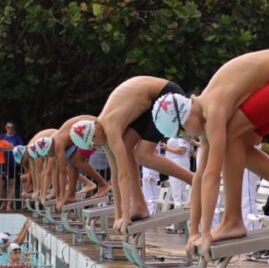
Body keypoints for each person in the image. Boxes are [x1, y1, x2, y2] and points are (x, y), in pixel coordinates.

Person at [151, 49, 269, 255]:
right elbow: (199, 177)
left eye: (181, 131)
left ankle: (233, 220)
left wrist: (206, 232)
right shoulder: (204, 113)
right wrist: (194, 232)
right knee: (240, 142)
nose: (185, 137)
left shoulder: (214, 108)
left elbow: (212, 175)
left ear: (185, 115)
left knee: (232, 137)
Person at [66, 77, 196, 230]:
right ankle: (140, 205)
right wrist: (118, 215)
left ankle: (195, 182)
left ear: (94, 131)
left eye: (95, 142)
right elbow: (115, 174)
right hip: (148, 103)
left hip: (164, 95)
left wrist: (126, 216)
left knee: (142, 155)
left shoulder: (111, 128)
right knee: (128, 148)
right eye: (93, 145)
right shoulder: (102, 131)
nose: (97, 145)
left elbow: (124, 175)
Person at [45, 115, 111, 209]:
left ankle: (103, 184)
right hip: (86, 128)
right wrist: (58, 196)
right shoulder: (53, 143)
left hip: (93, 129)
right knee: (72, 160)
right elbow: (56, 171)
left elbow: (62, 173)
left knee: (76, 160)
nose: (49, 157)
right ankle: (71, 194)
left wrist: (61, 198)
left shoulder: (57, 145)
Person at [163, 136, 193, 207]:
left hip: (179, 163)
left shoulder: (181, 136)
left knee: (179, 192)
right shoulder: (175, 135)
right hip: (174, 163)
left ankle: (180, 212)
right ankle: (179, 209)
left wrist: (167, 148)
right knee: (176, 191)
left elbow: (182, 150)